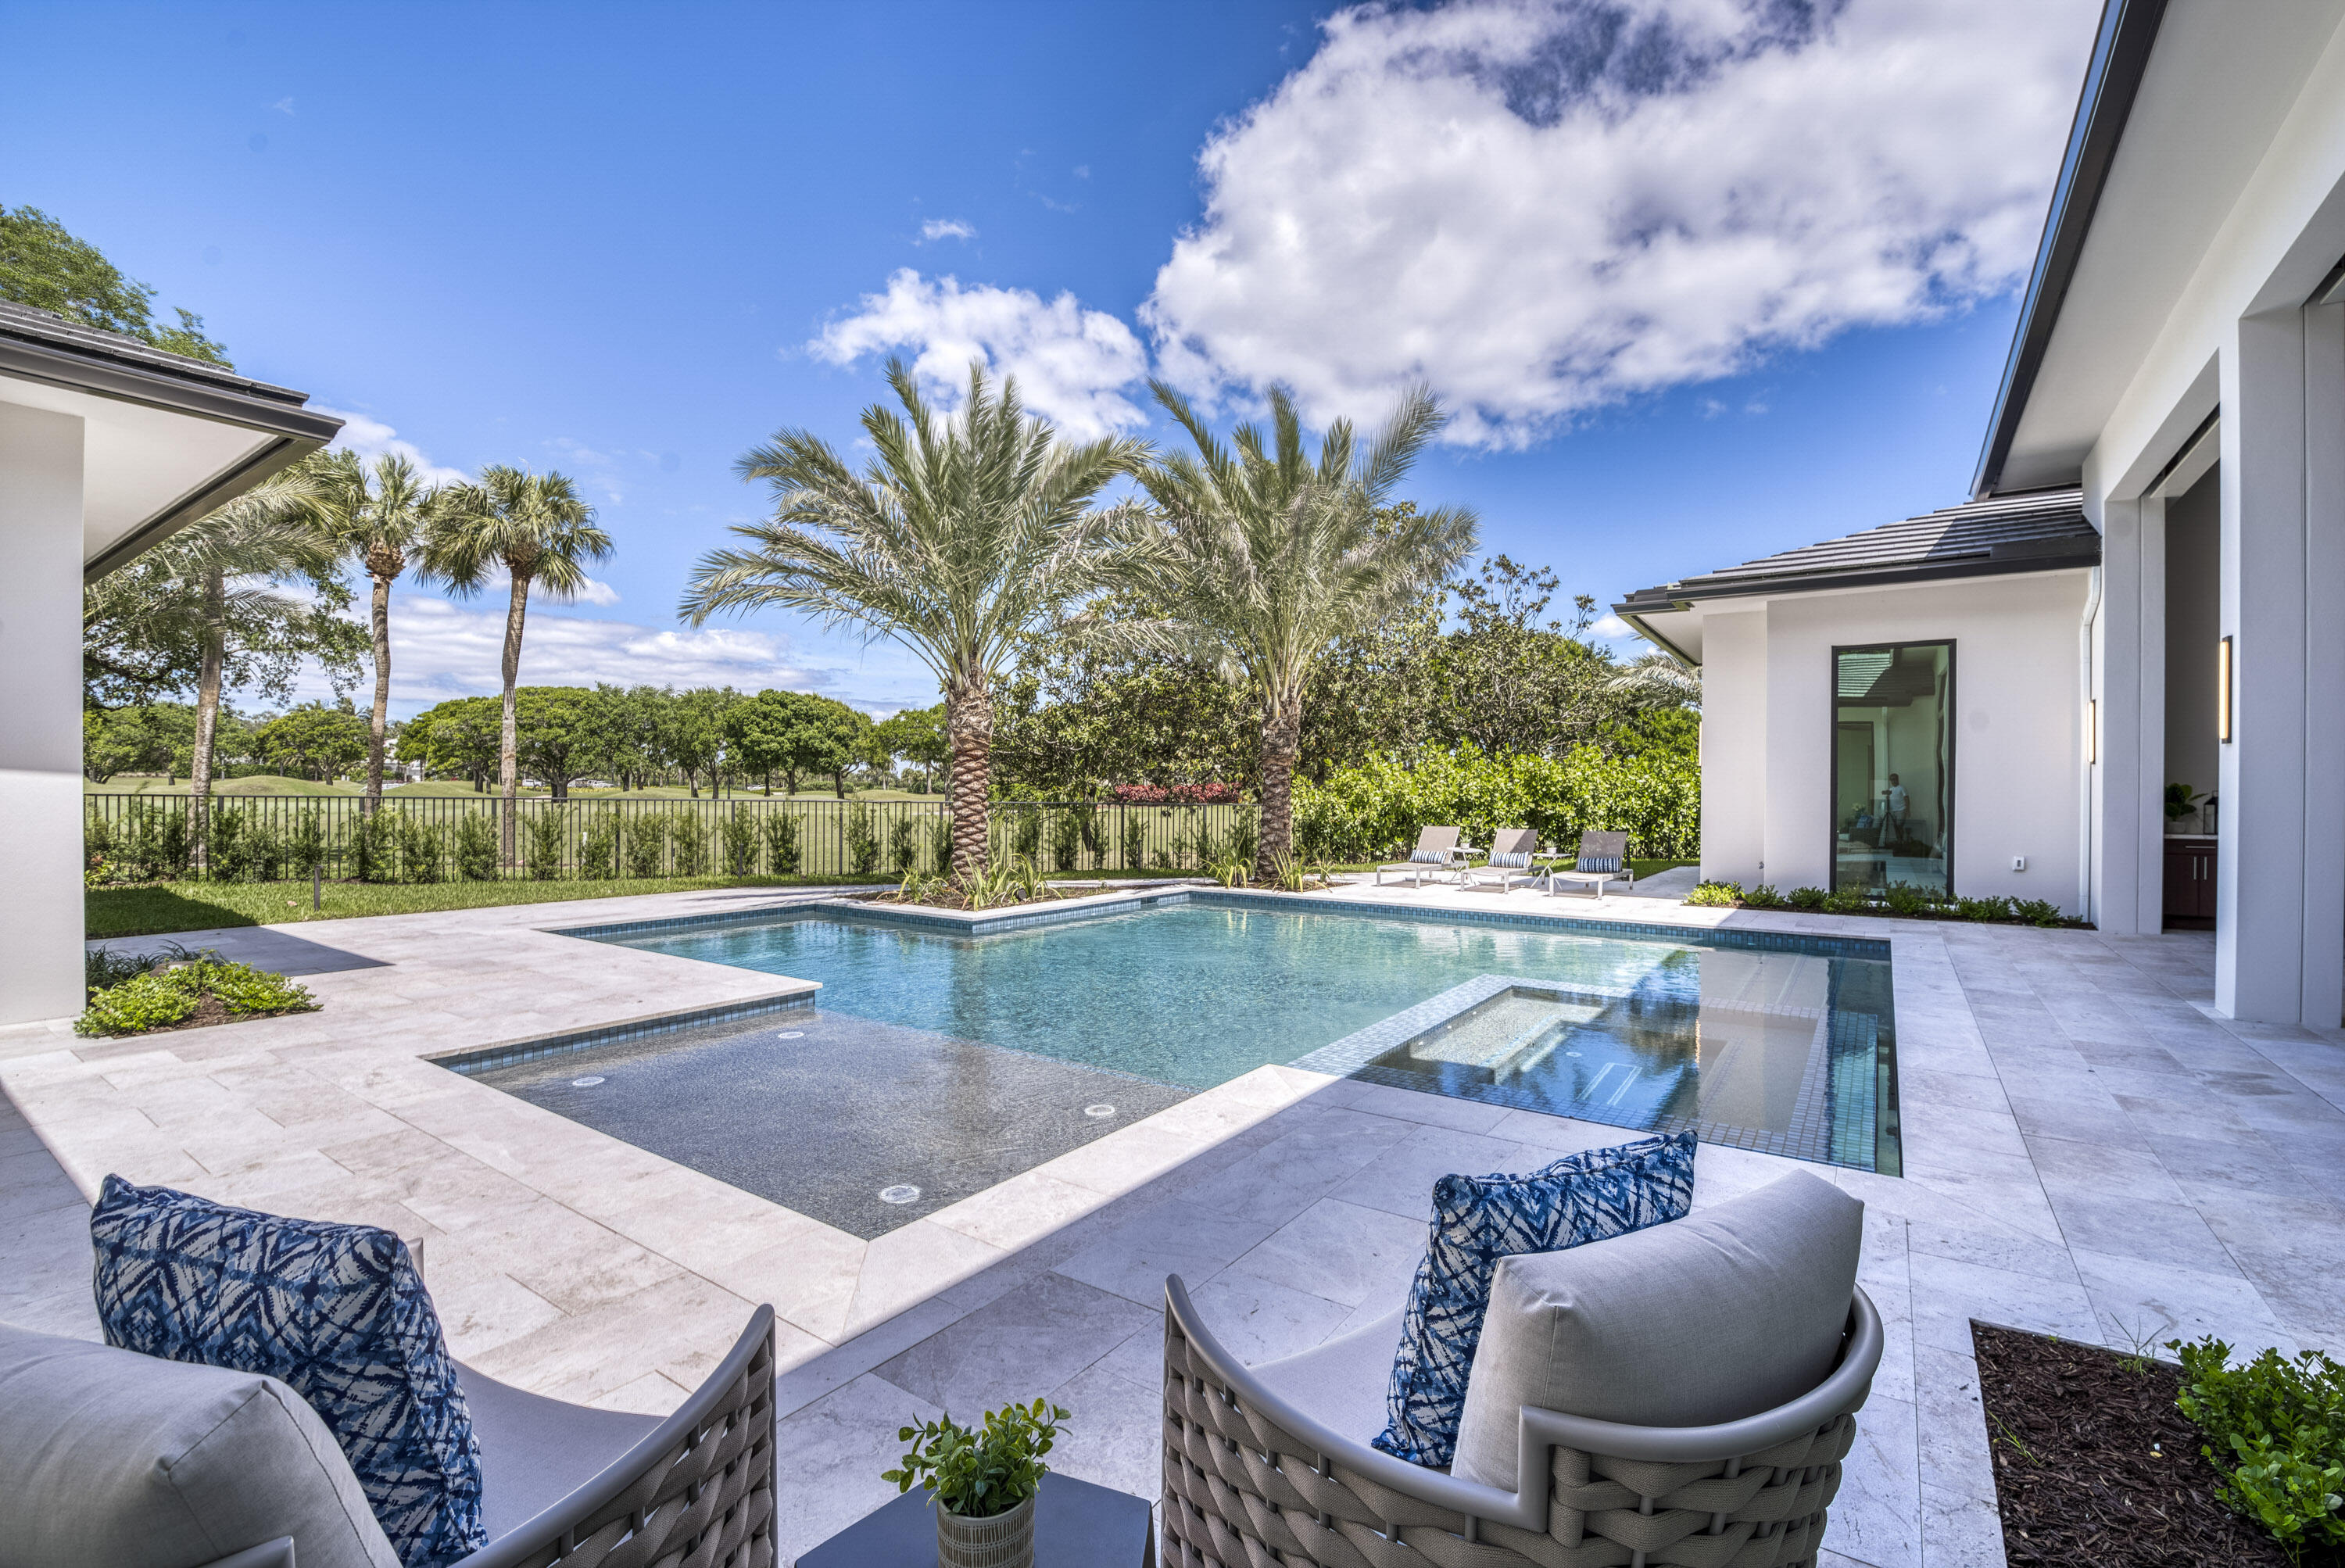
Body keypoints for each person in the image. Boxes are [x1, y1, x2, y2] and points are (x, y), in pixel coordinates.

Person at [1882, 775, 1909, 842]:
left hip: (1901, 810)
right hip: (1893, 811)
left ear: (1898, 779)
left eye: (1894, 779)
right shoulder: (1890, 789)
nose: (1893, 781)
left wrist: (1907, 810)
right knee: (1895, 827)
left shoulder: (1902, 788)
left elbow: (1907, 799)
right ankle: (1899, 842)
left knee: (1899, 826)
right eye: (1892, 779)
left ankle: (1902, 841)